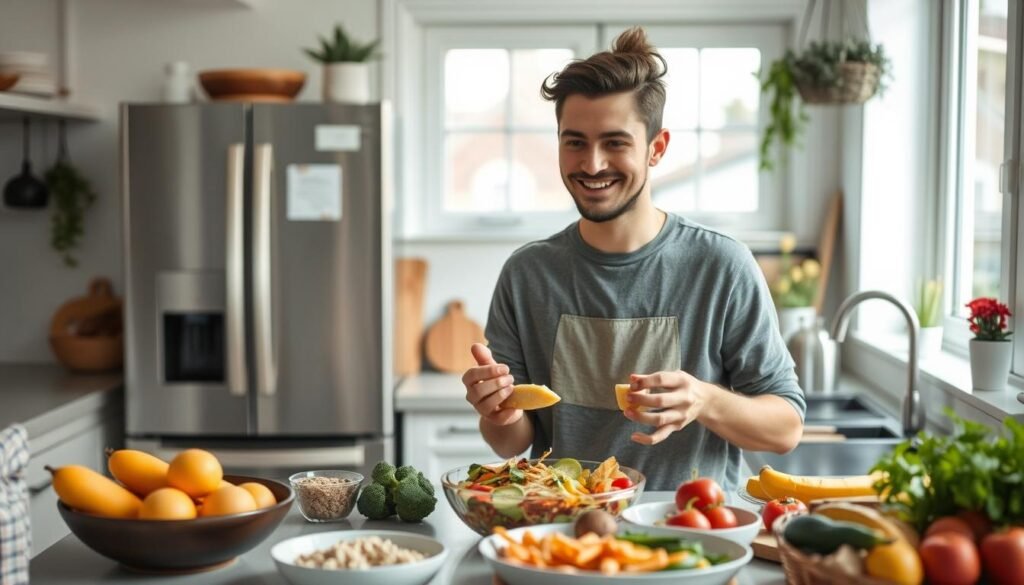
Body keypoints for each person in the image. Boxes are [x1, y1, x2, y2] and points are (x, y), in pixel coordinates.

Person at [460, 27, 805, 491]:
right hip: (568, 536)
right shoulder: (528, 274)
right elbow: (509, 443)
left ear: (656, 148)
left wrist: (704, 399)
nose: (593, 164)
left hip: (694, 534)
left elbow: (786, 429)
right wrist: (500, 411)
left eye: (616, 143)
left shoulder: (721, 266)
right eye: (575, 141)